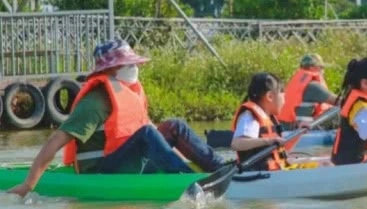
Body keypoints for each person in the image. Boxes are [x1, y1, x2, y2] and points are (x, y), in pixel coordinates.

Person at [6, 39, 229, 198]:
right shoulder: (95, 102)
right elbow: (55, 140)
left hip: (125, 162)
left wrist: (176, 156)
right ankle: (190, 181)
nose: (135, 68)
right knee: (147, 135)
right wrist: (29, 183)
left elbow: (153, 136)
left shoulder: (128, 92)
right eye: (128, 64)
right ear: (111, 69)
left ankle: (223, 168)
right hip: (100, 171)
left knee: (174, 126)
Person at [230, 72, 293, 172]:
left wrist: (302, 129)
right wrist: (269, 141)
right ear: (270, 97)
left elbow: (284, 145)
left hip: (273, 172)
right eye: (282, 93)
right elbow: (237, 143)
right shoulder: (250, 116)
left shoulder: (269, 118)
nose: (284, 100)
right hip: (255, 175)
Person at [277, 53, 338, 130]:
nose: (323, 71)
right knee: (339, 111)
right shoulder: (313, 86)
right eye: (321, 67)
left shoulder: (295, 82)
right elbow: (339, 101)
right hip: (300, 129)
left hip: (288, 127)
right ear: (312, 67)